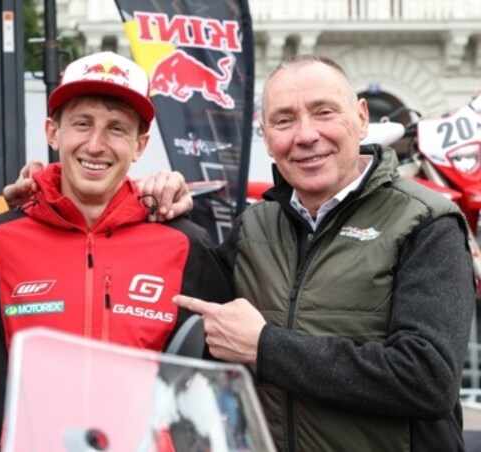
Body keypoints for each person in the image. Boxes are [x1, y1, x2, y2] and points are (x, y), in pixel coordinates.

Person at [173, 54, 476, 451]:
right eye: (284, 120)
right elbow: (193, 310)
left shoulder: (427, 221)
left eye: (323, 112)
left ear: (362, 117)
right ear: (265, 136)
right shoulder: (254, 226)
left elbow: (428, 379)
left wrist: (266, 348)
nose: (306, 135)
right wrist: (160, 202)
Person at [0, 51, 233, 451]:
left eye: (117, 129)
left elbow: (222, 378)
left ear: (140, 145)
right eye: (82, 123)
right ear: (52, 132)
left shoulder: (186, 243)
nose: (96, 144)